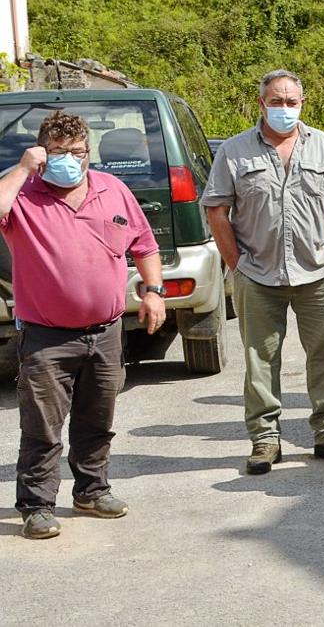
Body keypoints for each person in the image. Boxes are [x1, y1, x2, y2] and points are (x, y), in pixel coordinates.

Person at [0, 111, 165, 540]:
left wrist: (153, 291)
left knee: (97, 419)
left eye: (77, 152)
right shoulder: (23, 194)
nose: (70, 160)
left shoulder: (113, 189)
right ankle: (37, 505)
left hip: (106, 331)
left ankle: (92, 490)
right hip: (46, 337)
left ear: (88, 152)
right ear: (41, 154)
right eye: (59, 153)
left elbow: (144, 245)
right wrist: (21, 169)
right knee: (42, 426)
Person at [203, 69, 324, 475]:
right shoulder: (235, 151)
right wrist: (235, 264)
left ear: (302, 104)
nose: (284, 109)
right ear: (261, 104)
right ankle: (265, 439)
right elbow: (216, 210)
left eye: (292, 102)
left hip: (320, 271)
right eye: (276, 101)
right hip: (258, 273)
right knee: (260, 359)